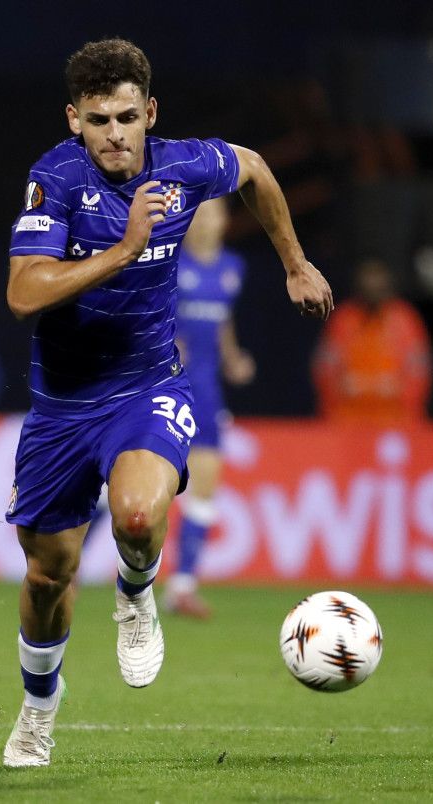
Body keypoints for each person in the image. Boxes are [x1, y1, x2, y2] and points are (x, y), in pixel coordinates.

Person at [1, 38, 333, 768]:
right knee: (48, 575)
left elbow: (256, 168)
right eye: (98, 120)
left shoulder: (185, 167)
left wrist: (295, 262)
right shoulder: (55, 179)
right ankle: (37, 711)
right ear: (74, 120)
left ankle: (136, 591)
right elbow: (24, 294)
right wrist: (124, 250)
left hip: (147, 386)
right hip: (61, 408)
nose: (114, 134)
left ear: (150, 112)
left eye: (126, 117)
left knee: (137, 516)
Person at [164, 197, 256, 619]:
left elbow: (223, 320)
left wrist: (232, 357)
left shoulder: (232, 268)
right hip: (163, 388)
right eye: (197, 213)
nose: (204, 221)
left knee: (204, 486)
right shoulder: (168, 263)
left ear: (224, 221)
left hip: (206, 392)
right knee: (120, 489)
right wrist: (165, 344)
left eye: (212, 213)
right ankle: (70, 567)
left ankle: (182, 587)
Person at [312, 257, 431, 424]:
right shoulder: (343, 320)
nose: (373, 288)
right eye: (368, 284)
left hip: (397, 420)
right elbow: (325, 370)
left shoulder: (405, 320)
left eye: (377, 284)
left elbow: (419, 372)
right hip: (346, 420)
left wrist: (394, 391)